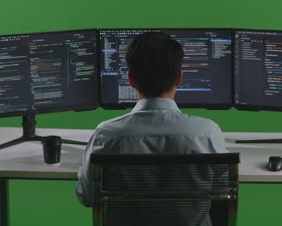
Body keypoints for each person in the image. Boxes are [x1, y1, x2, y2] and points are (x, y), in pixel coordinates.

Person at [76, 32, 228, 225]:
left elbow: (87, 196)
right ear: (179, 78)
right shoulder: (207, 133)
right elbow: (222, 193)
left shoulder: (107, 135)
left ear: (130, 80)